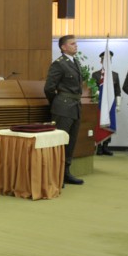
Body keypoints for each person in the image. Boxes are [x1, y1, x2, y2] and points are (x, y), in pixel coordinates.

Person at [44, 35, 84, 185]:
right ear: (63, 47)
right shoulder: (59, 64)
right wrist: (58, 103)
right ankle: (56, 175)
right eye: (72, 44)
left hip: (75, 106)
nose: (76, 46)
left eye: (76, 43)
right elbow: (49, 88)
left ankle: (66, 173)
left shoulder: (75, 62)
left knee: (71, 141)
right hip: (63, 107)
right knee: (60, 142)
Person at [92, 50, 121, 156]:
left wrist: (118, 104)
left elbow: (117, 91)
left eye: (109, 60)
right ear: (101, 61)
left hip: (111, 104)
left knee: (110, 123)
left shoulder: (115, 75)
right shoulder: (96, 74)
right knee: (99, 124)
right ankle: (99, 146)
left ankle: (106, 146)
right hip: (100, 104)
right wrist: (97, 93)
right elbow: (92, 89)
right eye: (104, 60)